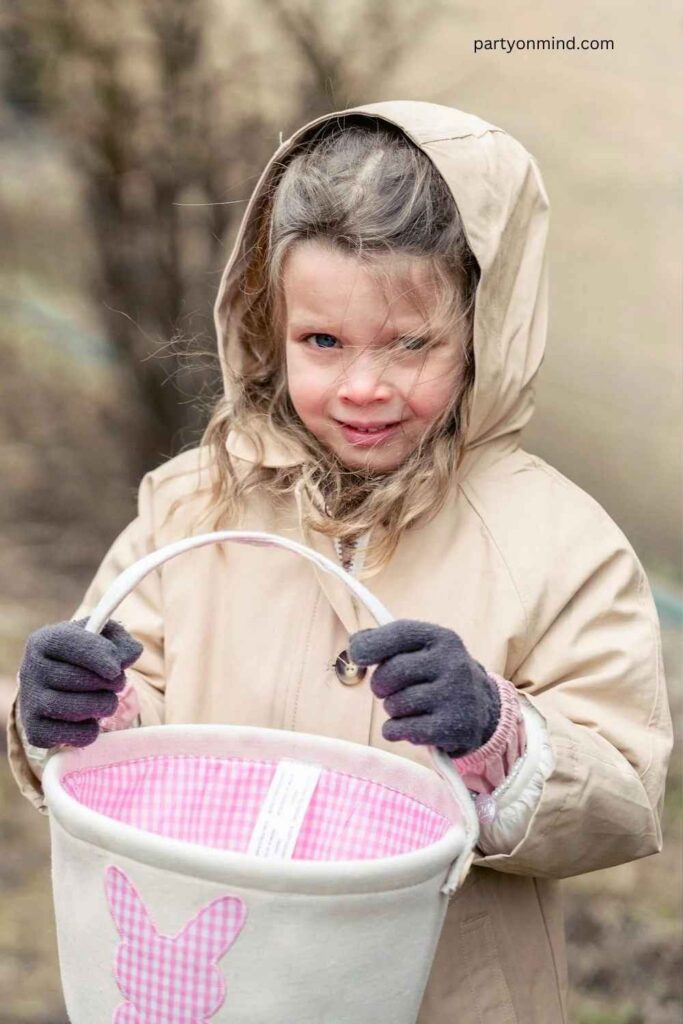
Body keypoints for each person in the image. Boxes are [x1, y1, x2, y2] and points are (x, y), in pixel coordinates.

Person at [8, 102, 672, 1024]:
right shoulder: (192, 504)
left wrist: (497, 737)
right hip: (212, 989)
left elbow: (624, 796)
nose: (364, 387)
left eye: (411, 343)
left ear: (485, 331)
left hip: (444, 998)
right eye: (322, 342)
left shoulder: (559, 543)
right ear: (266, 320)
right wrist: (74, 712)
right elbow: (135, 732)